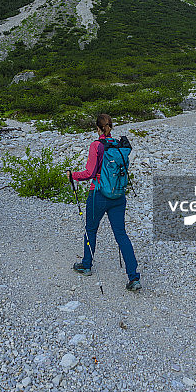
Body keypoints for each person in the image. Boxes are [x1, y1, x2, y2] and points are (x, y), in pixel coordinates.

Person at [67, 113, 141, 291]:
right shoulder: (119, 145)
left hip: (98, 195)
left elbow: (89, 173)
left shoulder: (96, 145)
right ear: (111, 127)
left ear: (98, 128)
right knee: (121, 235)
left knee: (90, 230)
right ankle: (134, 278)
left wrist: (72, 175)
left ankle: (86, 265)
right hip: (118, 196)